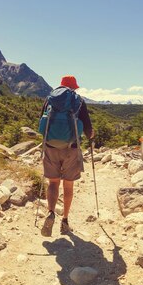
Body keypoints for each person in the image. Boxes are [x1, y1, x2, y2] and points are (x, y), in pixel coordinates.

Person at [39, 75, 94, 236]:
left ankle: (50, 213)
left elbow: (42, 123)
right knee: (68, 185)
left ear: (61, 85)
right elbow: (88, 130)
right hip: (72, 147)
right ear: (73, 87)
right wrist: (91, 136)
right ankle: (65, 220)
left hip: (50, 146)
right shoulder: (78, 100)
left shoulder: (50, 99)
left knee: (53, 183)